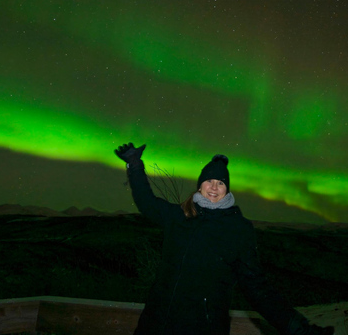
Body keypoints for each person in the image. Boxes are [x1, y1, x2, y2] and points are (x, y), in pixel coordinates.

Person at [115, 142, 335, 335]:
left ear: (227, 188)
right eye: (209, 180)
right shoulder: (179, 216)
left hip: (202, 328)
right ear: (199, 185)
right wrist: (134, 164)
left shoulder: (238, 229)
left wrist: (299, 329)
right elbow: (146, 200)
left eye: (220, 182)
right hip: (156, 323)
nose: (214, 187)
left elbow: (257, 287)